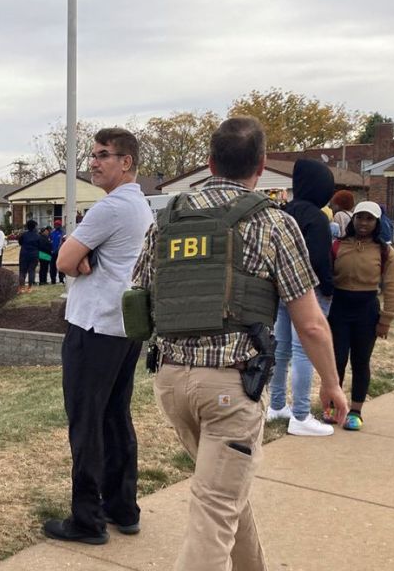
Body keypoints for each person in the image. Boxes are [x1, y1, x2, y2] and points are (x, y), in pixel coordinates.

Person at [132, 117, 349, 569]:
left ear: (209, 162)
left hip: (171, 383)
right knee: (215, 507)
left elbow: (138, 296)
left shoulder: (167, 218)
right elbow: (309, 322)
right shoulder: (273, 223)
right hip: (231, 389)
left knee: (225, 492)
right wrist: (331, 383)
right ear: (262, 165)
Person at [42, 128, 154, 545]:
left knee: (87, 423)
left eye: (104, 155)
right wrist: (83, 256)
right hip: (124, 327)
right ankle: (122, 507)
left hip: (94, 327)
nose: (94, 162)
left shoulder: (110, 208)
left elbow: (64, 259)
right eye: (92, 154)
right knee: (115, 418)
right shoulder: (140, 206)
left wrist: (79, 255)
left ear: (126, 163)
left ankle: (87, 520)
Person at [267, 159, 336, 436]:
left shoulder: (283, 212)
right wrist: (329, 288)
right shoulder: (316, 218)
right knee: (304, 351)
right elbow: (319, 259)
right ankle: (301, 414)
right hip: (308, 290)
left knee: (281, 350)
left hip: (280, 290)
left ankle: (276, 405)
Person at [326, 201, 394, 431]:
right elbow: (324, 277)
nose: (363, 223)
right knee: (336, 361)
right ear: (353, 219)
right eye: (360, 218)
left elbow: (393, 285)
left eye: (369, 219)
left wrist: (386, 319)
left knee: (361, 362)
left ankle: (355, 411)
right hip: (339, 309)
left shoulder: (384, 251)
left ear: (377, 223)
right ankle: (332, 406)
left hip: (367, 310)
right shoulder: (337, 246)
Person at [18, 220, 41, 293]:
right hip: (34, 254)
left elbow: (20, 242)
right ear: (34, 227)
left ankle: (21, 287)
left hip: (24, 254)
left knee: (22, 271)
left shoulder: (23, 235)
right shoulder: (38, 236)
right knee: (31, 270)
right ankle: (30, 287)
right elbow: (40, 245)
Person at [49, 219, 65, 284]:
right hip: (52, 253)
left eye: (58, 224)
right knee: (52, 267)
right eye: (55, 224)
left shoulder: (63, 233)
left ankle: (61, 279)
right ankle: (53, 280)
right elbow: (50, 242)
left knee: (61, 266)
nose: (56, 226)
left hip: (60, 252)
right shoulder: (52, 233)